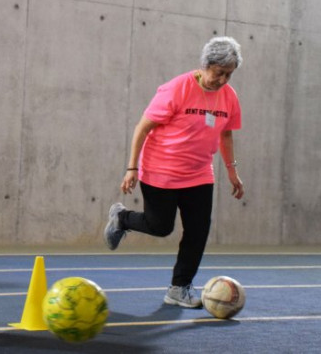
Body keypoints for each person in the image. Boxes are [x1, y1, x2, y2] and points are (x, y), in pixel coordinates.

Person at [104, 37, 245, 308]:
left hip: (199, 174)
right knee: (160, 226)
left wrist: (232, 172)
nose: (223, 80)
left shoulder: (229, 97)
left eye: (229, 75)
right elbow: (142, 128)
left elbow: (225, 134)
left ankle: (179, 288)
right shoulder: (176, 89)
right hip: (161, 171)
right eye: (219, 73)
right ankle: (122, 218)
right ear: (205, 65)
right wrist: (132, 167)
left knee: (198, 230)